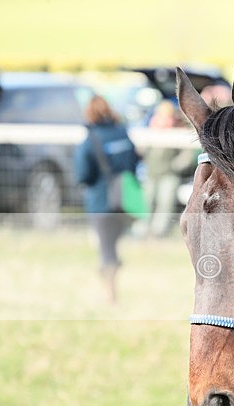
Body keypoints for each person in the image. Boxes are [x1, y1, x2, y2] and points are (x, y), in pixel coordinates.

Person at [74, 95, 140, 304]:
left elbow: (82, 174)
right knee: (113, 246)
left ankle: (110, 297)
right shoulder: (123, 133)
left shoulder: (90, 140)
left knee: (106, 251)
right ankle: (111, 292)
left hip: (101, 203)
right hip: (126, 200)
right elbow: (134, 161)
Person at [136, 100, 195, 237]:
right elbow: (141, 151)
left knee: (165, 203)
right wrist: (152, 131)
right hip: (151, 173)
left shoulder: (178, 131)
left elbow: (186, 156)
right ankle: (142, 230)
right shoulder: (152, 130)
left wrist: (174, 167)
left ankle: (159, 232)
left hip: (169, 175)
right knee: (146, 202)